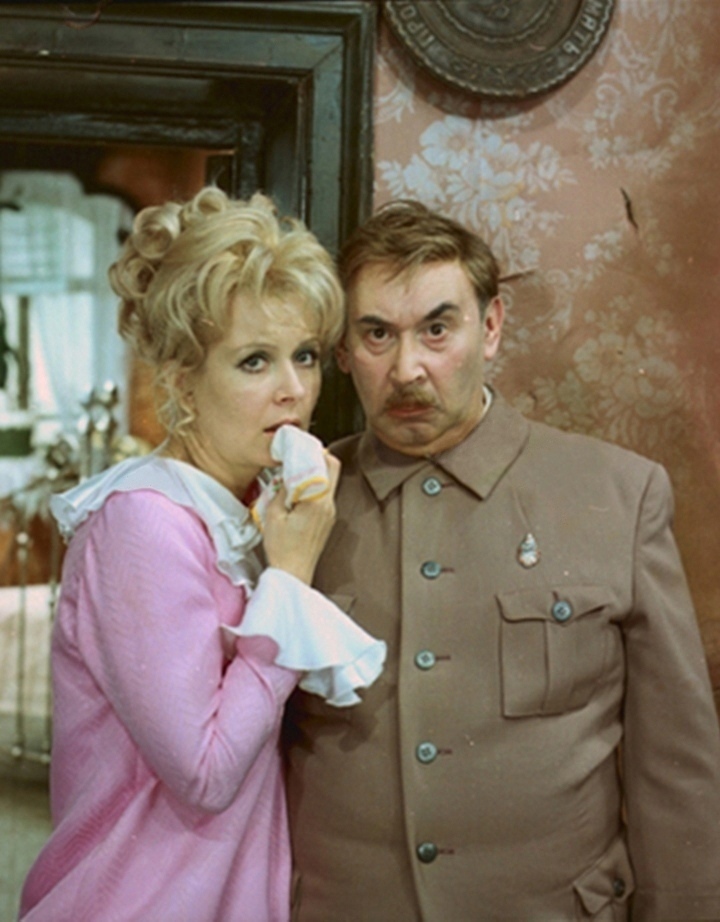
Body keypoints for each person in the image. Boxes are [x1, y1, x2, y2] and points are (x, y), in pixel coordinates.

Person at [285, 200, 720, 921]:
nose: (407, 369)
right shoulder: (292, 504)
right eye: (377, 334)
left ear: (490, 328)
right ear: (342, 350)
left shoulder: (617, 494)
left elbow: (675, 766)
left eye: (437, 329)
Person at [19, 187, 385, 922]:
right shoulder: (144, 524)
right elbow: (207, 773)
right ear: (184, 382)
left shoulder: (237, 512)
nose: (293, 391)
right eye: (254, 361)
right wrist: (289, 579)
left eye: (305, 356)